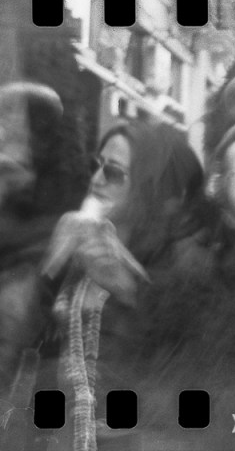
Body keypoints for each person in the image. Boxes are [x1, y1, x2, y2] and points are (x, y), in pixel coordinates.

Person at [41, 121, 235, 451]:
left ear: (157, 191)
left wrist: (129, 289)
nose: (96, 179)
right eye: (95, 165)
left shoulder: (190, 262)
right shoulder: (87, 243)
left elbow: (200, 361)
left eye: (113, 173)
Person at [0, 82, 88, 451]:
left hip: (39, 287)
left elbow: (60, 230)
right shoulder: (13, 159)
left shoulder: (65, 170)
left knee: (39, 377)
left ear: (36, 122)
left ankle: (37, 439)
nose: (4, 120)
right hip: (21, 282)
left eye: (10, 111)